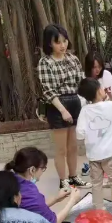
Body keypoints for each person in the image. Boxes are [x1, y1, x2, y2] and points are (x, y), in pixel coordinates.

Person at [37, 24, 90, 190]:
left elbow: (81, 82)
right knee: (61, 149)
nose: (62, 45)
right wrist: (63, 110)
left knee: (73, 146)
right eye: (58, 42)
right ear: (49, 43)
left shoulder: (73, 59)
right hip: (57, 105)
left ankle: (74, 176)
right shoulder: (45, 62)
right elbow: (48, 91)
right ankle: (63, 180)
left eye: (65, 41)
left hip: (75, 101)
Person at [76, 78, 112, 209]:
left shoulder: (85, 110)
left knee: (96, 183)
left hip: (94, 155)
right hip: (111, 153)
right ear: (98, 91)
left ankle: (98, 209)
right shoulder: (111, 106)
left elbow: (79, 133)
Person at [6, 147, 82, 223]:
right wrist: (72, 201)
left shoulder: (10, 179)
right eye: (42, 168)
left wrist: (56, 198)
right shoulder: (31, 194)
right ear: (32, 170)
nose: (42, 172)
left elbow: (33, 208)